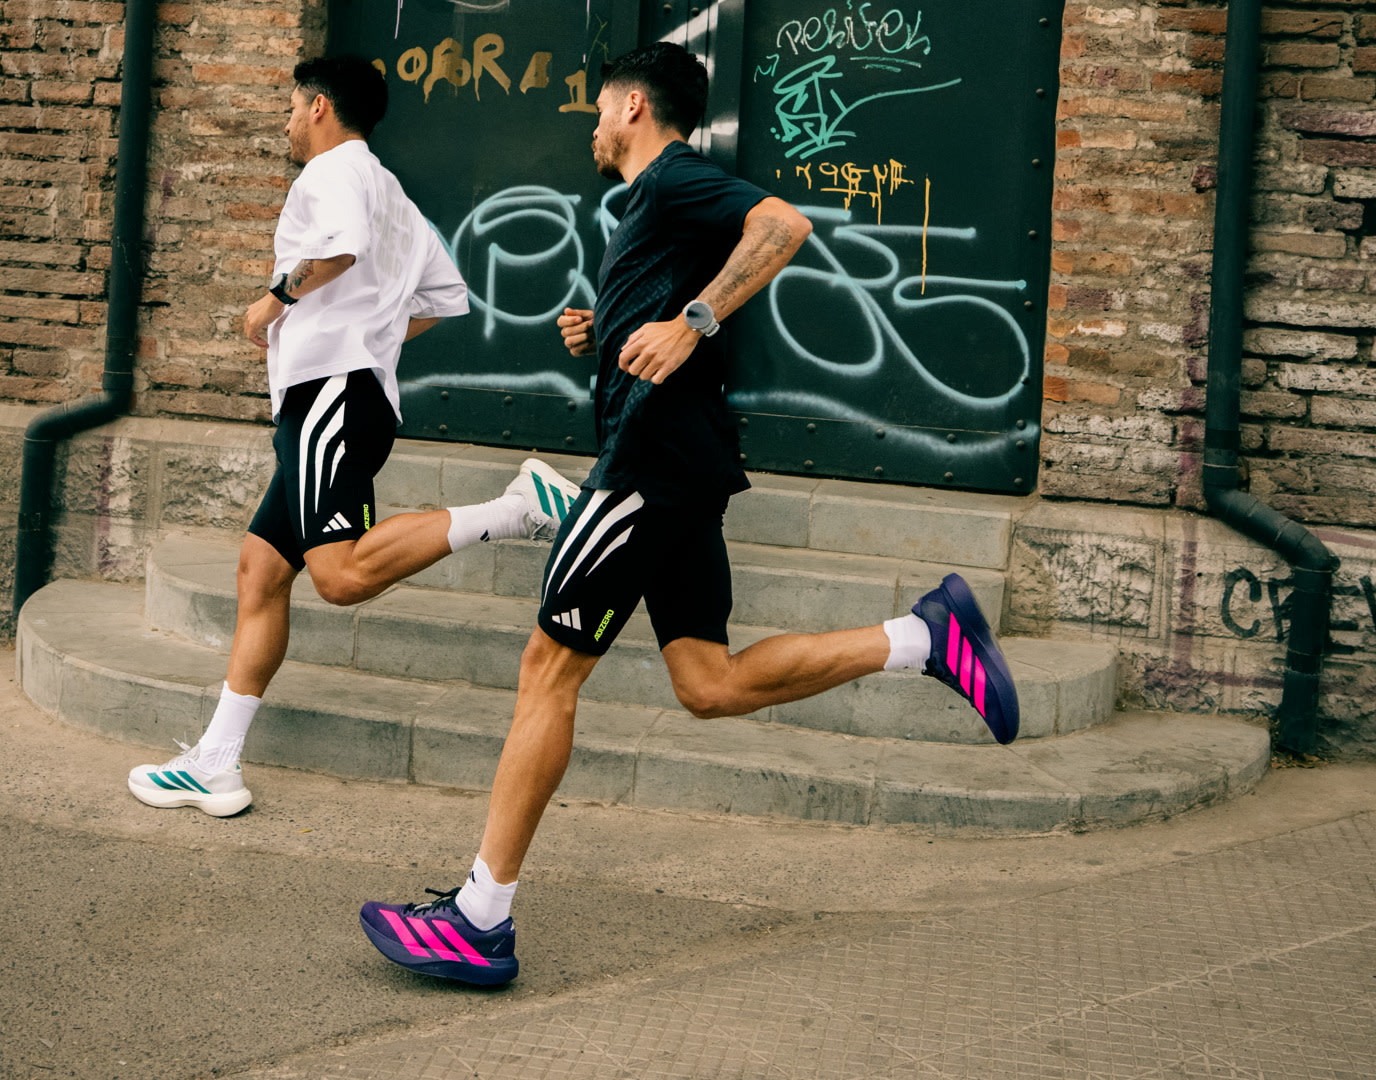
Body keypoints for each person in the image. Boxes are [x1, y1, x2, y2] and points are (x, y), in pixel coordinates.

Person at [359, 43, 1019, 987]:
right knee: (707, 682)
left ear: (633, 105)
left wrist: (694, 321)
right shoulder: (649, 203)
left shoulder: (673, 177)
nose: (592, 126)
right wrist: (607, 333)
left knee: (547, 669)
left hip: (648, 465)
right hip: (682, 465)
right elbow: (674, 296)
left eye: (599, 109)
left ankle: (479, 919)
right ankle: (924, 638)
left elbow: (783, 225)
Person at [126, 56, 581, 817]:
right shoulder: (390, 191)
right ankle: (216, 764)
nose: (286, 120)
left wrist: (272, 303)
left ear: (320, 107)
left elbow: (341, 248)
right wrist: (373, 337)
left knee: (338, 577)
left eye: (292, 106)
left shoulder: (332, 172)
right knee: (260, 570)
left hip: (330, 395)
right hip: (341, 393)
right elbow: (445, 297)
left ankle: (517, 509)